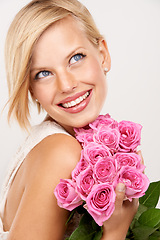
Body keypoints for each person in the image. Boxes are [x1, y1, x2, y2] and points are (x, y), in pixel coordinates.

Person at [0, 0, 141, 239]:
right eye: (43, 73)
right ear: (31, 88)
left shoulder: (55, 143)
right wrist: (116, 232)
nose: (66, 85)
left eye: (76, 58)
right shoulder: (60, 151)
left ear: (103, 54)